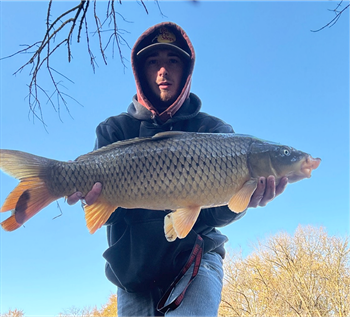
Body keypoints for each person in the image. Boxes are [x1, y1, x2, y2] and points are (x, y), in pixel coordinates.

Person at [68, 22, 288, 316]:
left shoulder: (215, 132)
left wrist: (243, 202)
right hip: (133, 274)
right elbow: (113, 217)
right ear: (140, 71)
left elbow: (212, 215)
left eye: (172, 61)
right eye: (153, 62)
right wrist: (90, 200)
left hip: (195, 263)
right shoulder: (114, 130)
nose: (163, 70)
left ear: (186, 72)